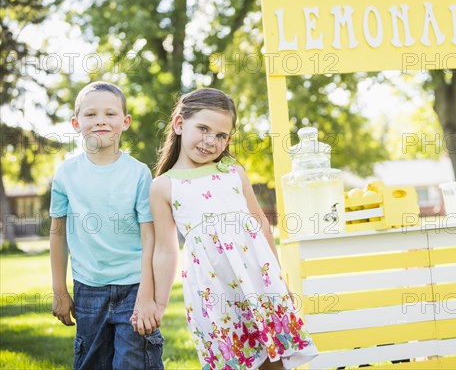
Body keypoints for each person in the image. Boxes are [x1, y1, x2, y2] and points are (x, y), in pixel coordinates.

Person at [147, 88, 318, 369]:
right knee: (237, 359)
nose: (211, 141)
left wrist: (281, 282)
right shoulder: (164, 186)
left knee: (274, 358)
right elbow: (166, 250)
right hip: (215, 289)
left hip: (258, 282)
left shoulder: (232, 172)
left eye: (221, 135)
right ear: (179, 124)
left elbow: (261, 226)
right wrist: (159, 304)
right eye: (203, 128)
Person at [49, 81, 164, 369]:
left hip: (134, 286)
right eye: (91, 114)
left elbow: (150, 237)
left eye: (110, 114)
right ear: (77, 123)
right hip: (88, 289)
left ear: (125, 122)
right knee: (92, 363)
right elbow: (58, 234)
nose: (100, 120)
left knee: (135, 362)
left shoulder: (139, 174)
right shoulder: (65, 174)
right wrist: (60, 291)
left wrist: (148, 295)